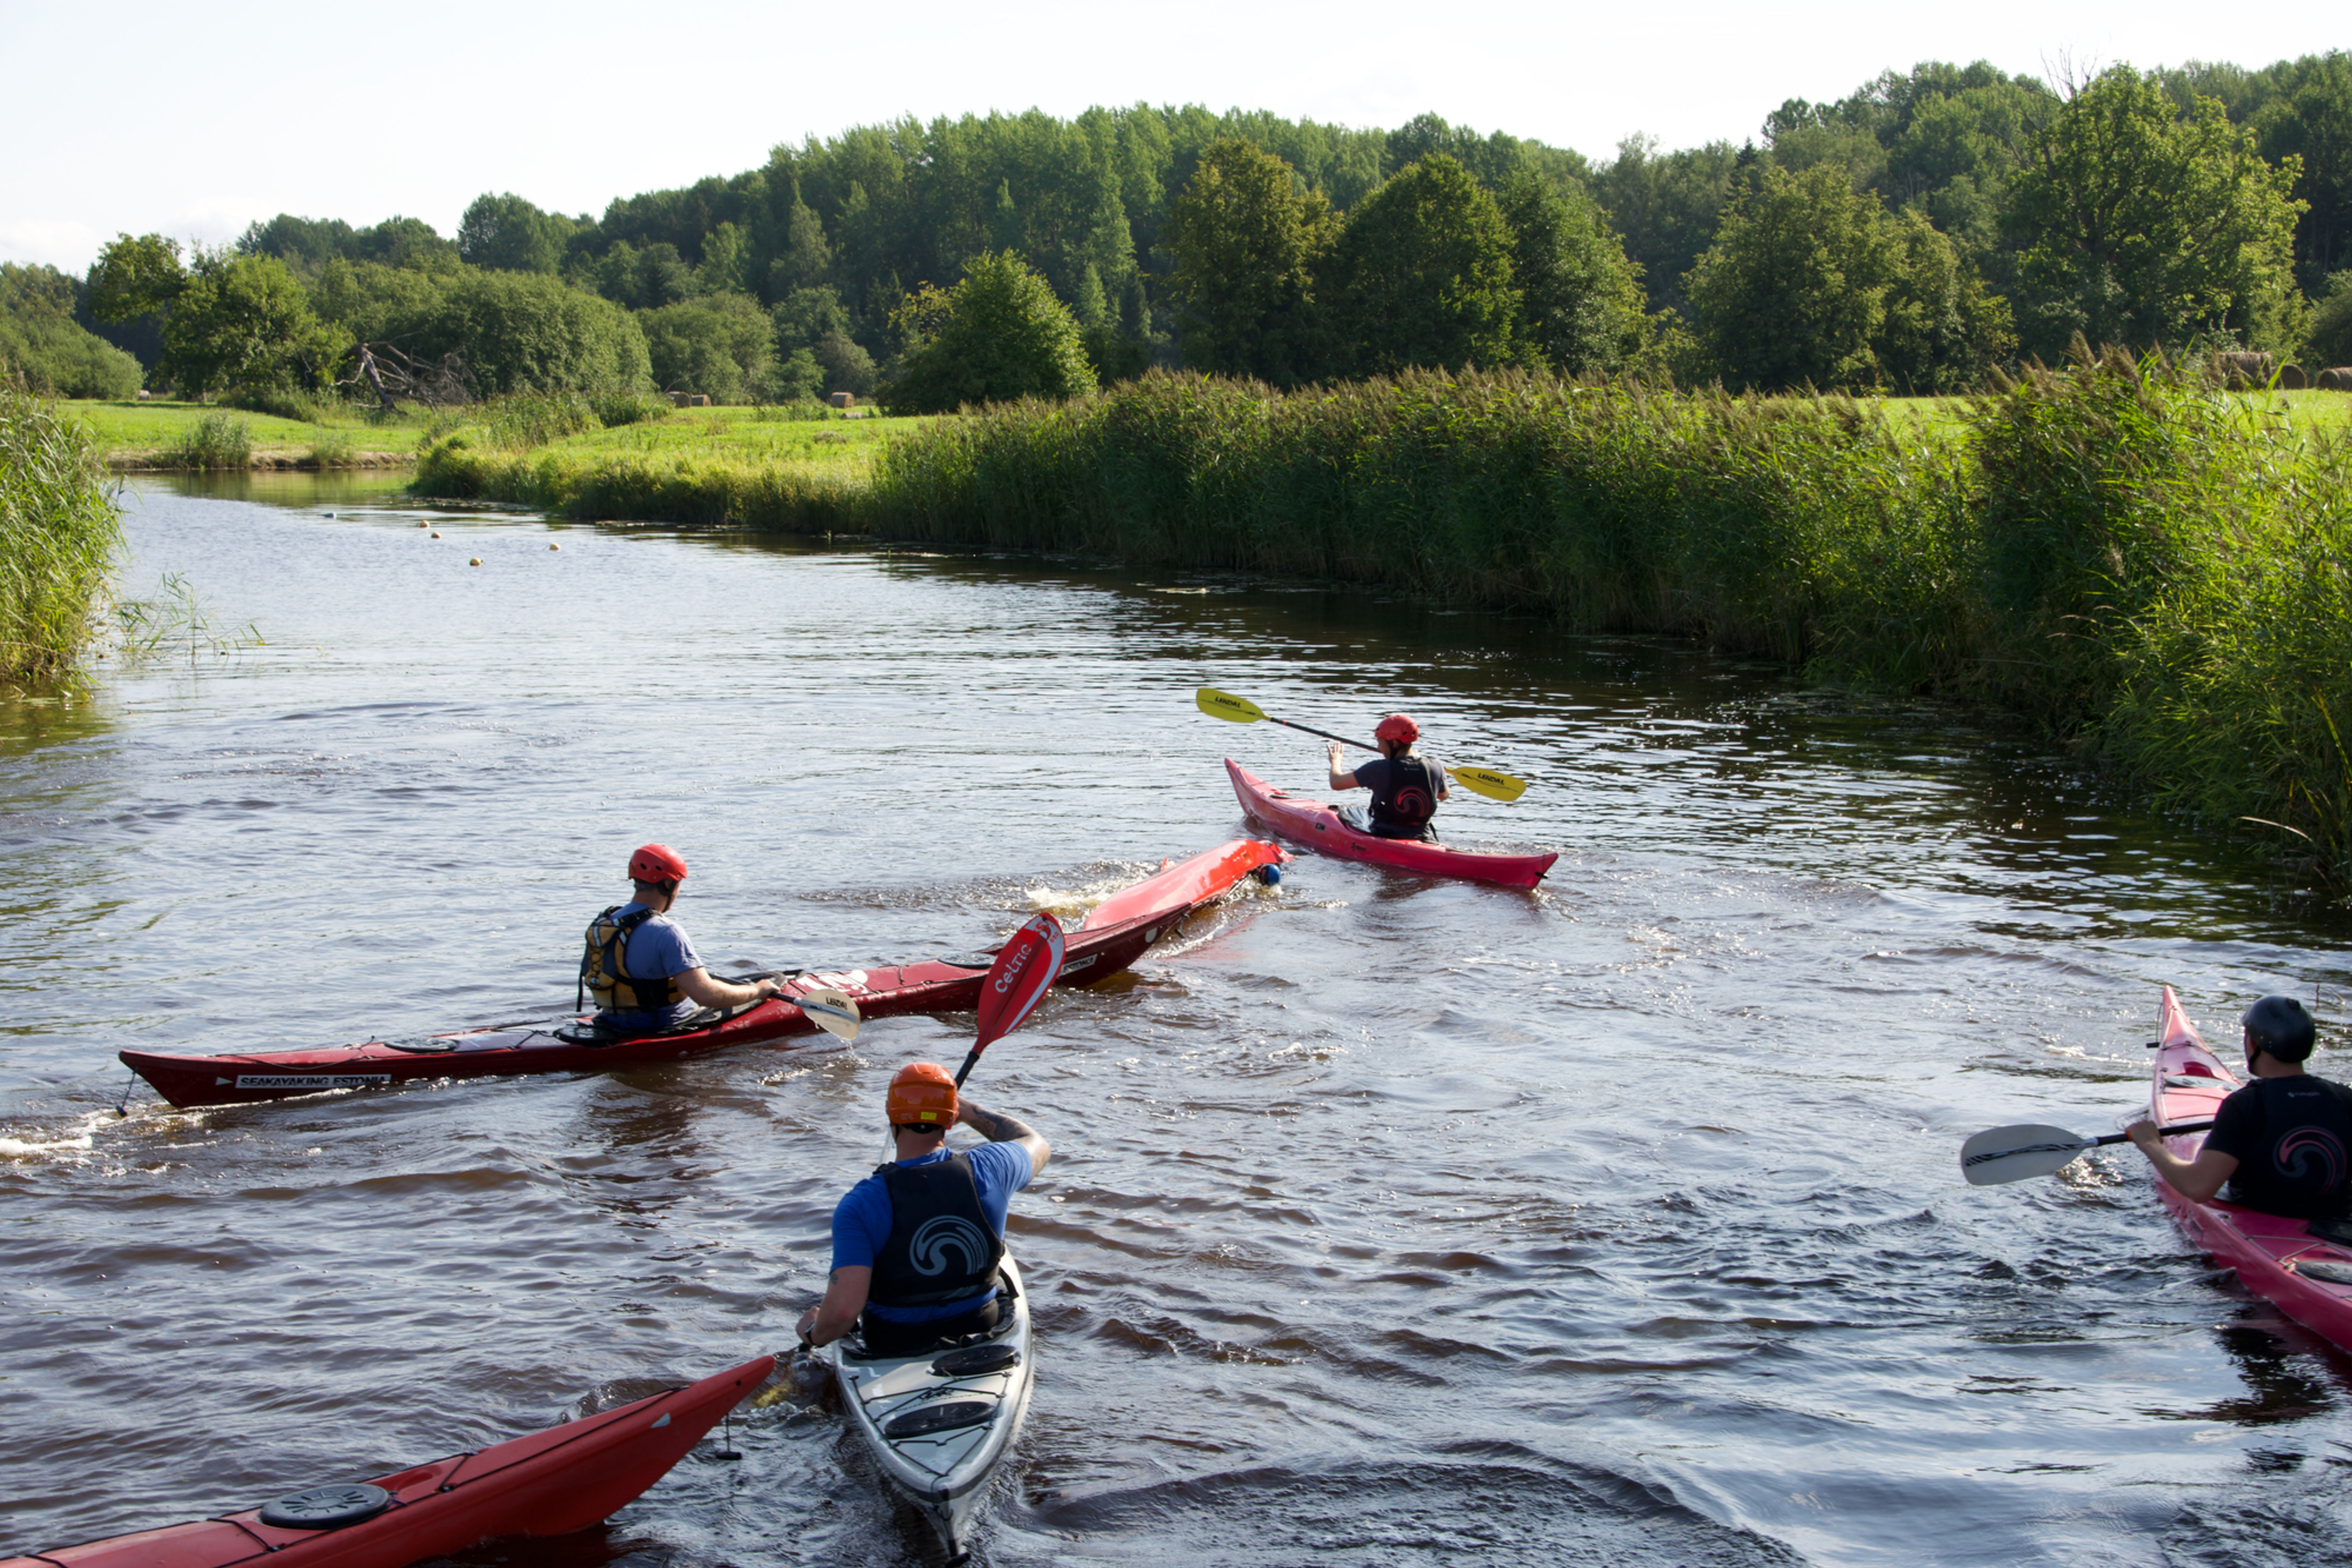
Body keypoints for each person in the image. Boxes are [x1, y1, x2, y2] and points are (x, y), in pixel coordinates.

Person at [797, 1062, 1051, 1356]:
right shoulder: (991, 1167)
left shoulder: (860, 1203)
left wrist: (813, 1334)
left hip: (893, 1340)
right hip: (979, 1325)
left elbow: (842, 1314)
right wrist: (966, 1111)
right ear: (951, 1117)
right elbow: (1037, 1144)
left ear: (891, 1115)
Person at [2127, 995, 2352, 1220]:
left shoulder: (2246, 1105)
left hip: (2265, 1220)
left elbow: (2198, 1188)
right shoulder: (2345, 1098)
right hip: (2335, 1224)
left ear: (2254, 1044)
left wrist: (2150, 1143)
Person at [579, 843, 784, 1032]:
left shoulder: (604, 923)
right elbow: (706, 996)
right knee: (743, 996)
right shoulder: (666, 931)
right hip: (661, 1024)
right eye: (678, 884)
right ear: (668, 884)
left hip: (609, 1020)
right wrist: (757, 990)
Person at [1327, 713, 1448, 842]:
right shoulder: (1435, 766)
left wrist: (1336, 761)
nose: (1379, 748)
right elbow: (1443, 796)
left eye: (1380, 742)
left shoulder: (1379, 769)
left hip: (1385, 835)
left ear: (1394, 743)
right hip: (1423, 836)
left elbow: (1336, 783)